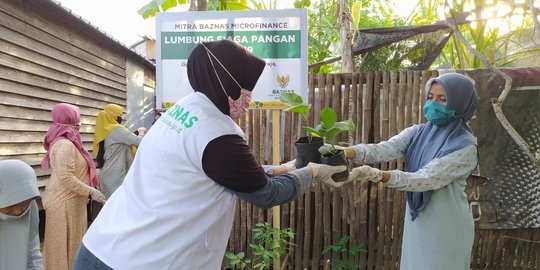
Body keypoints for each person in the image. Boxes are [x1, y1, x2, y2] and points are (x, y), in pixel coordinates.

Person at [73, 40, 345, 269]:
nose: (249, 96)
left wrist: (280, 169)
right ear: (226, 81)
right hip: (142, 260)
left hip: (100, 244)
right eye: (245, 86)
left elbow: (206, 170)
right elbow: (267, 195)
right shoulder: (216, 133)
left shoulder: (183, 109)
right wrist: (311, 173)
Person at [334, 73, 479, 270]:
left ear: (460, 102)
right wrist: (346, 152)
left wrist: (379, 175)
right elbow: (384, 149)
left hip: (446, 224)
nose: (434, 104)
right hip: (418, 218)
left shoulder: (465, 147)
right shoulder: (417, 132)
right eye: (431, 97)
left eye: (443, 99)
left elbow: (425, 179)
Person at [41, 103, 106, 270]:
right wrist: (91, 191)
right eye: (78, 117)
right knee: (64, 249)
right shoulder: (64, 145)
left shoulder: (69, 142)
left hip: (72, 202)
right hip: (64, 203)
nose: (80, 122)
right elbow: (66, 178)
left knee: (73, 245)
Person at [93, 104, 145, 199]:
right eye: (120, 115)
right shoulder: (117, 129)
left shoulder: (104, 129)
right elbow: (138, 142)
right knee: (118, 206)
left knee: (108, 206)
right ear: (113, 116)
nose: (121, 118)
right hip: (116, 176)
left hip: (105, 174)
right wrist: (141, 132)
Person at [0, 160, 44, 270]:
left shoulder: (30, 208)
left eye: (24, 204)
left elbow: (32, 252)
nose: (18, 211)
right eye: (11, 205)